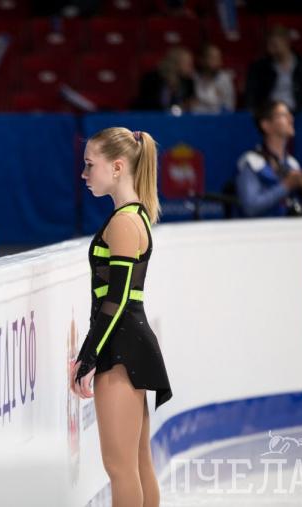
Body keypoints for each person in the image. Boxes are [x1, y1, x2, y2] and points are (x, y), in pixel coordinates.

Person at [70, 127, 172, 507]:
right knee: (136, 464)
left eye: (89, 165)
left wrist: (89, 356)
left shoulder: (124, 222)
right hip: (127, 343)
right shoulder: (132, 217)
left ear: (116, 167)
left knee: (121, 468)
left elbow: (116, 300)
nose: (84, 174)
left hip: (121, 349)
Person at [235, 100, 302, 217]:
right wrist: (287, 185)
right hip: (262, 227)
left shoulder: (292, 164)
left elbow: (299, 207)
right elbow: (250, 207)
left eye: (290, 114)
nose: (291, 119)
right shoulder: (252, 162)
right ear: (266, 125)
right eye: (283, 115)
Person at [134, 46, 195, 112]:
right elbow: (146, 105)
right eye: (188, 64)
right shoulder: (151, 79)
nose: (191, 68)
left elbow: (189, 106)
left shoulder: (188, 82)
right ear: (176, 63)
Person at [192, 44, 235, 114]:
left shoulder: (225, 79)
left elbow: (229, 106)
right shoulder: (193, 78)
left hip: (220, 118)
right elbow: (192, 107)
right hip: (198, 118)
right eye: (213, 58)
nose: (217, 62)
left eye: (218, 58)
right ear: (202, 59)